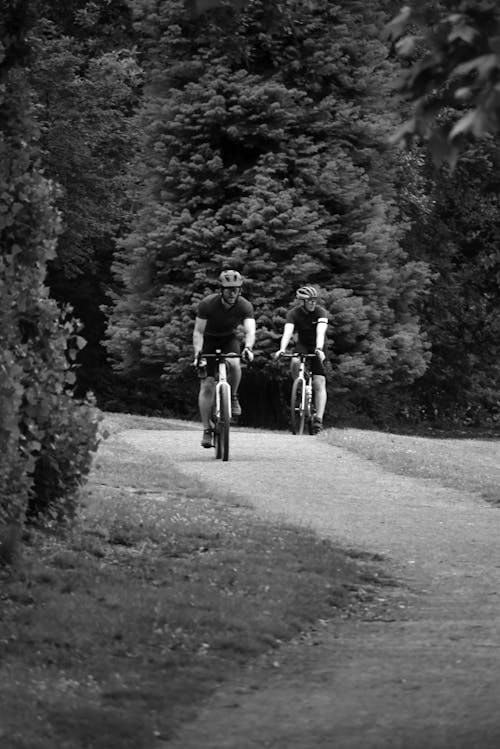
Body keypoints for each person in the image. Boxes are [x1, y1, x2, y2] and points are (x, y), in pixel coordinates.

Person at [193, 269, 255, 447]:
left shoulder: (244, 305)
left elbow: (250, 329)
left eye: (236, 289)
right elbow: (198, 331)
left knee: (235, 363)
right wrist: (198, 354)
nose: (233, 292)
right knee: (207, 386)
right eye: (229, 289)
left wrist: (248, 348)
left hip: (229, 339)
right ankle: (206, 430)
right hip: (208, 341)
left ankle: (233, 396)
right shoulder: (207, 304)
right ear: (221, 290)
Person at [275, 285, 328, 433]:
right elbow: (288, 332)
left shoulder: (320, 312)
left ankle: (318, 419)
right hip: (303, 344)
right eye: (309, 301)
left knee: (319, 381)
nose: (313, 303)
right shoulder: (294, 313)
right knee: (295, 361)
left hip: (319, 346)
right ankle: (299, 384)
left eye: (314, 300)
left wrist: (319, 348)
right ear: (302, 302)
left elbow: (321, 331)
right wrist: (282, 349)